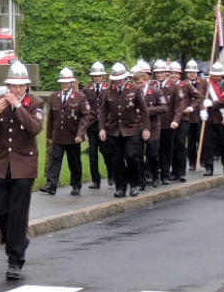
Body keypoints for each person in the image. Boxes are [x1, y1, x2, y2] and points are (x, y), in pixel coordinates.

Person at [0, 61, 46, 279]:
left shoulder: (35, 103)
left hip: (25, 166)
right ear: (8, 85)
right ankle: (16, 237)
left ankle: (15, 260)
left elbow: (34, 128)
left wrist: (18, 107)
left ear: (27, 86)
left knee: (18, 215)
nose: (17, 89)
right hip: (3, 164)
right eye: (13, 85)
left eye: (21, 86)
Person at [99, 62, 148, 197]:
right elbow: (103, 111)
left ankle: (134, 184)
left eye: (121, 78)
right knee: (117, 160)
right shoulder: (108, 91)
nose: (119, 81)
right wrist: (102, 128)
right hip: (114, 130)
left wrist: (146, 128)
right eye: (116, 79)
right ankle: (120, 187)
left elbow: (144, 110)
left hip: (131, 129)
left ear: (125, 78)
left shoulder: (134, 89)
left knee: (131, 156)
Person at [40, 66, 89, 196]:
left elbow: (85, 117)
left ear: (72, 82)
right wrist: (49, 135)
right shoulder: (54, 97)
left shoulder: (80, 97)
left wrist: (80, 134)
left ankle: (76, 185)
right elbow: (51, 118)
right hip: (58, 135)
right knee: (55, 159)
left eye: (68, 82)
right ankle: (52, 184)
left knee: (74, 162)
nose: (65, 84)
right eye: (63, 82)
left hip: (73, 136)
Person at [197, 62, 224, 176]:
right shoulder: (205, 83)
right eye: (215, 75)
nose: (217, 77)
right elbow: (200, 97)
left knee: (223, 143)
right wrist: (202, 109)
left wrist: (214, 103)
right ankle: (209, 167)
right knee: (208, 143)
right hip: (208, 118)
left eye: (219, 75)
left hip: (222, 117)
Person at [134, 60, 167, 186]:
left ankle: (155, 175)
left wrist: (146, 111)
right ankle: (142, 179)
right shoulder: (133, 92)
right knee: (138, 155)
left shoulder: (156, 92)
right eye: (136, 83)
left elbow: (164, 107)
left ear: (147, 80)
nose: (139, 85)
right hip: (138, 127)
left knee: (152, 154)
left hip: (153, 127)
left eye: (141, 83)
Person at [162, 59, 189, 182]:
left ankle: (181, 172)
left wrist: (191, 107)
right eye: (172, 73)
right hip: (169, 120)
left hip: (182, 119)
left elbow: (198, 96)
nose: (174, 75)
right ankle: (173, 172)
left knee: (180, 144)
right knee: (171, 146)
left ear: (180, 74)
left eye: (176, 73)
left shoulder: (185, 85)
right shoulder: (166, 85)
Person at [83, 61, 108, 189]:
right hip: (92, 125)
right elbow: (84, 106)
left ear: (103, 76)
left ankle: (112, 173)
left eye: (99, 76)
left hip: (105, 125)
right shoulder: (87, 90)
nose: (97, 78)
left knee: (106, 151)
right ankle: (95, 180)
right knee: (92, 153)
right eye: (95, 76)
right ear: (92, 77)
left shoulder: (108, 88)